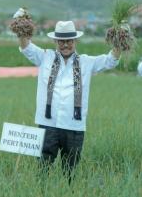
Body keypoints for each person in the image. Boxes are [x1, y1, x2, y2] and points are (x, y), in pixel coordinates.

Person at [17, 20, 120, 181]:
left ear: (75, 41)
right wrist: (21, 27)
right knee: (43, 169)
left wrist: (119, 41)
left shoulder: (86, 62)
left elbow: (110, 60)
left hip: (74, 126)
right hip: (47, 124)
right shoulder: (45, 57)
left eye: (69, 41)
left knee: (70, 171)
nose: (65, 45)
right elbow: (26, 47)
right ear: (55, 42)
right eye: (61, 41)